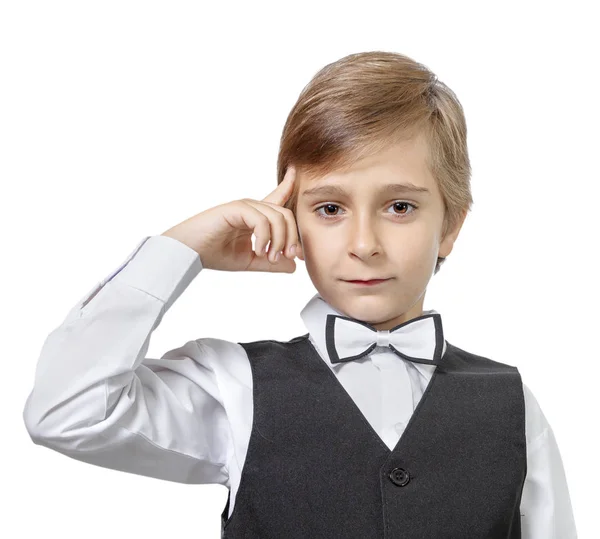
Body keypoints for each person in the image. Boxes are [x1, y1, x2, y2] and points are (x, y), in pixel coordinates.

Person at [22, 51, 578, 538]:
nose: (364, 244)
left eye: (400, 207)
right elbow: (66, 411)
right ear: (288, 218)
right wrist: (180, 249)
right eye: (330, 209)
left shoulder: (512, 403)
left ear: (451, 226)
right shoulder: (235, 387)